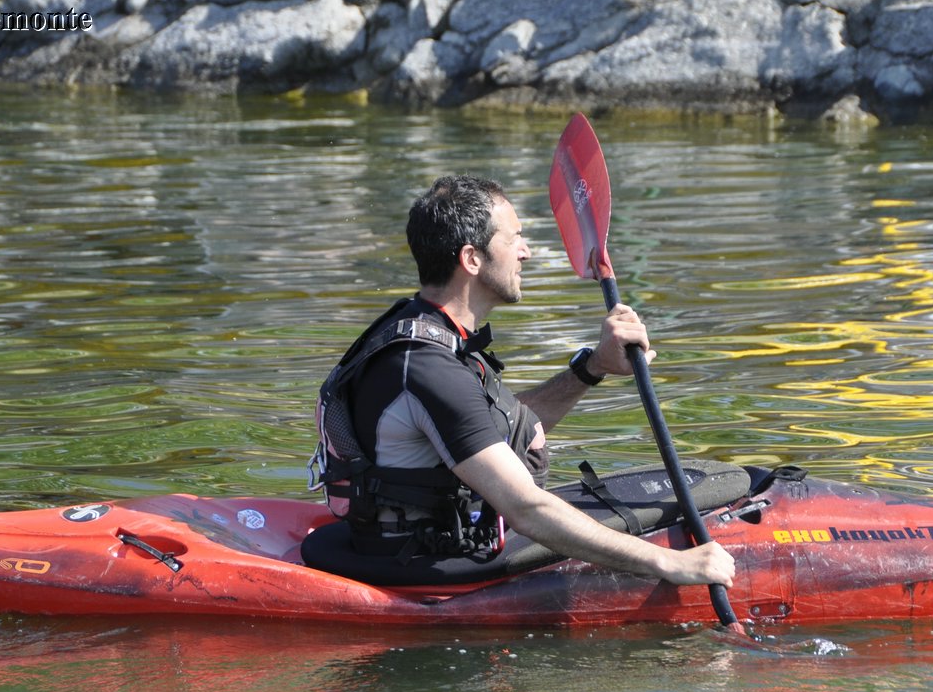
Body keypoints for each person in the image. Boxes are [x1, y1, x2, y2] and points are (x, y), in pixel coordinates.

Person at [313, 174, 735, 588]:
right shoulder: (429, 368)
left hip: (422, 537)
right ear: (471, 259)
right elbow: (527, 511)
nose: (526, 252)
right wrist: (670, 562)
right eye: (513, 238)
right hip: (425, 559)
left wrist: (594, 367)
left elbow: (496, 428)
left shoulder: (426, 328)